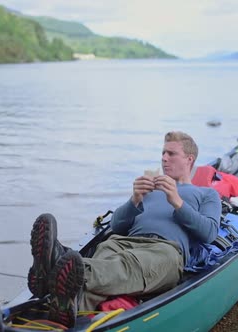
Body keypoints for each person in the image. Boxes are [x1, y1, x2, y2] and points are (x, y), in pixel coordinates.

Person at [27, 131, 221, 327]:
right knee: (105, 259)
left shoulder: (205, 194)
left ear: (189, 159)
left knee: (123, 265)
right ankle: (65, 307)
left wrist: (177, 201)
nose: (163, 158)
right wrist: (134, 199)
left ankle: (54, 269)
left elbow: (209, 232)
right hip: (122, 243)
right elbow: (116, 226)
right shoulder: (149, 188)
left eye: (171, 154)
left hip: (164, 250)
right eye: (163, 153)